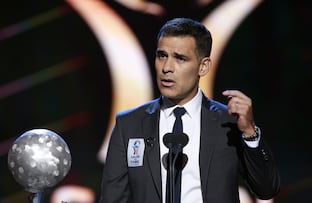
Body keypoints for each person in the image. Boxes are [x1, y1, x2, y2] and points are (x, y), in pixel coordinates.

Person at [99, 18, 280, 203]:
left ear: (203, 66)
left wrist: (250, 133)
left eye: (180, 58)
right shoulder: (129, 125)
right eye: (162, 55)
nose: (167, 68)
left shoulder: (228, 122)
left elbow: (266, 189)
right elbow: (112, 199)